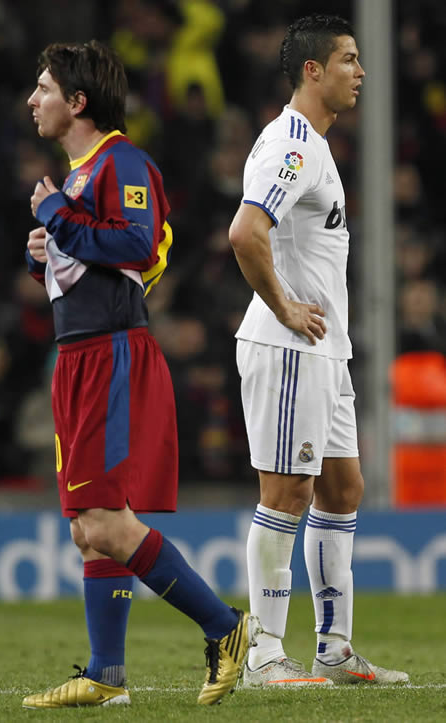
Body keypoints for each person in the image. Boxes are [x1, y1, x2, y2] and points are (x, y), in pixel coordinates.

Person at [22, 39, 260, 709]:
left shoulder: (122, 161)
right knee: (86, 525)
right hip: (76, 357)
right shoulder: (76, 175)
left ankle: (225, 626)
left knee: (105, 519)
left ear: (77, 102)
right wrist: (42, 250)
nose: (31, 100)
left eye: (43, 88)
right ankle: (107, 673)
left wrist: (56, 219)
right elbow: (88, 257)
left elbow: (134, 241)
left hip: (111, 356)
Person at [228, 15, 409, 687]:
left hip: (325, 350)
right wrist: (282, 306)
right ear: (312, 70)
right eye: (349, 59)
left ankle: (334, 647)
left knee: (342, 487)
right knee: (287, 489)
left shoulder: (317, 147)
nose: (360, 72)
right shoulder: (292, 146)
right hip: (289, 345)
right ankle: (264, 653)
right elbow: (246, 231)